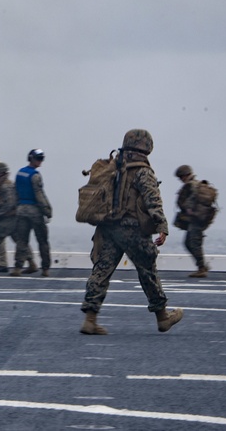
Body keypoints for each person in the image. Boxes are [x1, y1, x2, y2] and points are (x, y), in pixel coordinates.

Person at [79, 129, 183, 335]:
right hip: (131, 229)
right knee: (147, 271)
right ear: (147, 146)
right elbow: (152, 199)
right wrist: (162, 227)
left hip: (108, 226)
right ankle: (163, 317)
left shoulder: (113, 166)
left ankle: (90, 319)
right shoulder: (142, 171)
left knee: (101, 271)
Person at [12, 148, 53, 276]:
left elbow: (15, 193)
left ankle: (17, 268)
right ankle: (45, 269)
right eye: (39, 158)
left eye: (42, 158)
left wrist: (15, 208)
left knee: (21, 240)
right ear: (32, 158)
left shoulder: (19, 173)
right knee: (42, 240)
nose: (40, 161)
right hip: (34, 211)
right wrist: (47, 210)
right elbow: (39, 195)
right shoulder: (35, 176)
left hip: (21, 210)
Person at [174, 165, 213, 278]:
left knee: (194, 244)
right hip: (198, 219)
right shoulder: (196, 184)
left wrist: (188, 208)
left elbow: (191, 199)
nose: (180, 179)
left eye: (181, 177)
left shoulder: (191, 185)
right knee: (188, 243)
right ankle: (202, 265)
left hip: (195, 219)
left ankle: (202, 268)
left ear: (185, 175)